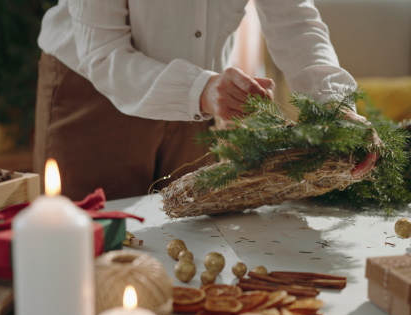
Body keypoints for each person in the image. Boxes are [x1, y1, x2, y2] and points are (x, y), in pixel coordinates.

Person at [34, 0, 378, 201]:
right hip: (94, 94)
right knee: (87, 253)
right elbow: (102, 52)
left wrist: (334, 105)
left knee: (187, 249)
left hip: (203, 102)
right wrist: (199, 89)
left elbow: (295, 21)